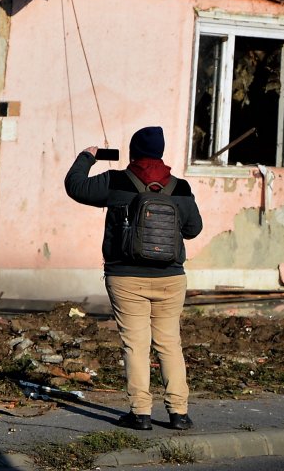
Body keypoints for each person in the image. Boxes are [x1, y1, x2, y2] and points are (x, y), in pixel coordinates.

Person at [64, 126, 204, 432]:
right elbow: (193, 229)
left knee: (135, 345)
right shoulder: (180, 187)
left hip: (126, 277)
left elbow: (75, 187)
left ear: (133, 151)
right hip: (171, 278)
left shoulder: (115, 181)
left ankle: (140, 414)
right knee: (169, 344)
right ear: (161, 151)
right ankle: (179, 413)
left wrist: (87, 157)